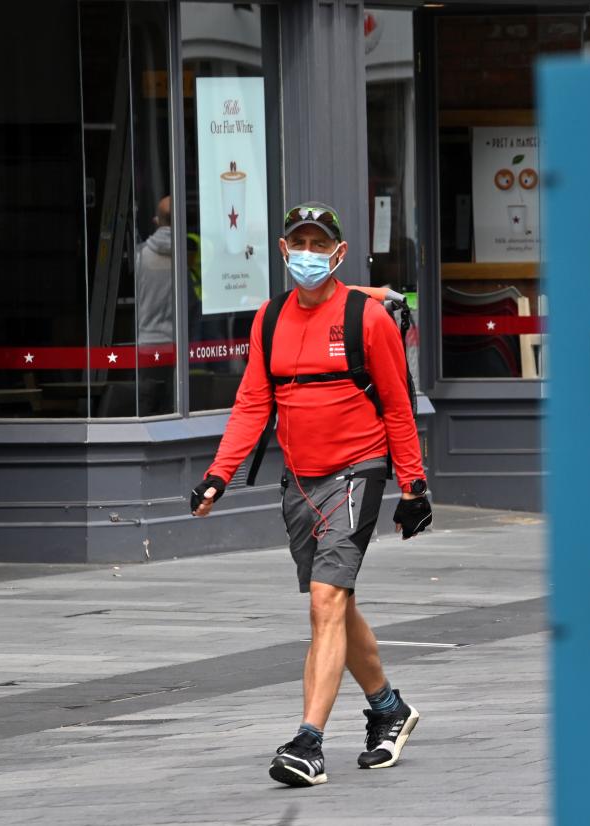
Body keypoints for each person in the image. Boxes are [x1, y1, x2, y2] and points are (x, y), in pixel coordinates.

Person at [190, 201, 433, 787]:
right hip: (299, 480)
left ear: (339, 253)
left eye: (319, 245)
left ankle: (308, 743)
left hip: (359, 470)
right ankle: (388, 710)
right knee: (338, 604)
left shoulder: (365, 318)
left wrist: (414, 485)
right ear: (282, 249)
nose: (308, 254)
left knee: (325, 600)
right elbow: (253, 402)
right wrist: (219, 474)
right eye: (298, 243)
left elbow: (398, 406)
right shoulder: (269, 319)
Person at [134, 196, 175, 415]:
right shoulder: (184, 257)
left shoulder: (141, 255)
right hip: (174, 344)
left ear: (156, 220)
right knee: (173, 409)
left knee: (146, 408)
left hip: (147, 344)